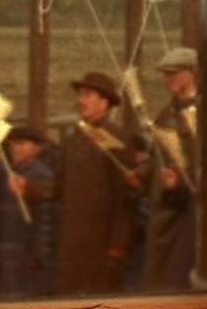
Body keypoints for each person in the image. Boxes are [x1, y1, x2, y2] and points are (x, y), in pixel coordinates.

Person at [56, 71, 140, 293]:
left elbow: (126, 197)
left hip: (102, 243)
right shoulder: (73, 139)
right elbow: (58, 186)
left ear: (105, 103)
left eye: (87, 95)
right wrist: (28, 187)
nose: (80, 101)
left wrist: (118, 243)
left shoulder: (116, 138)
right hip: (72, 242)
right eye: (80, 95)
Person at [0, 125, 57, 298]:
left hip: (26, 248)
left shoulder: (40, 173)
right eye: (13, 144)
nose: (15, 148)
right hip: (9, 244)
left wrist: (39, 252)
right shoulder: (10, 170)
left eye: (22, 144)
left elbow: (45, 215)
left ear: (37, 148)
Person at [145, 46, 201, 288]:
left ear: (191, 73)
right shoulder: (165, 115)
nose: (168, 79)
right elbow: (156, 158)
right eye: (165, 74)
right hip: (171, 211)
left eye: (173, 73)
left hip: (200, 210)